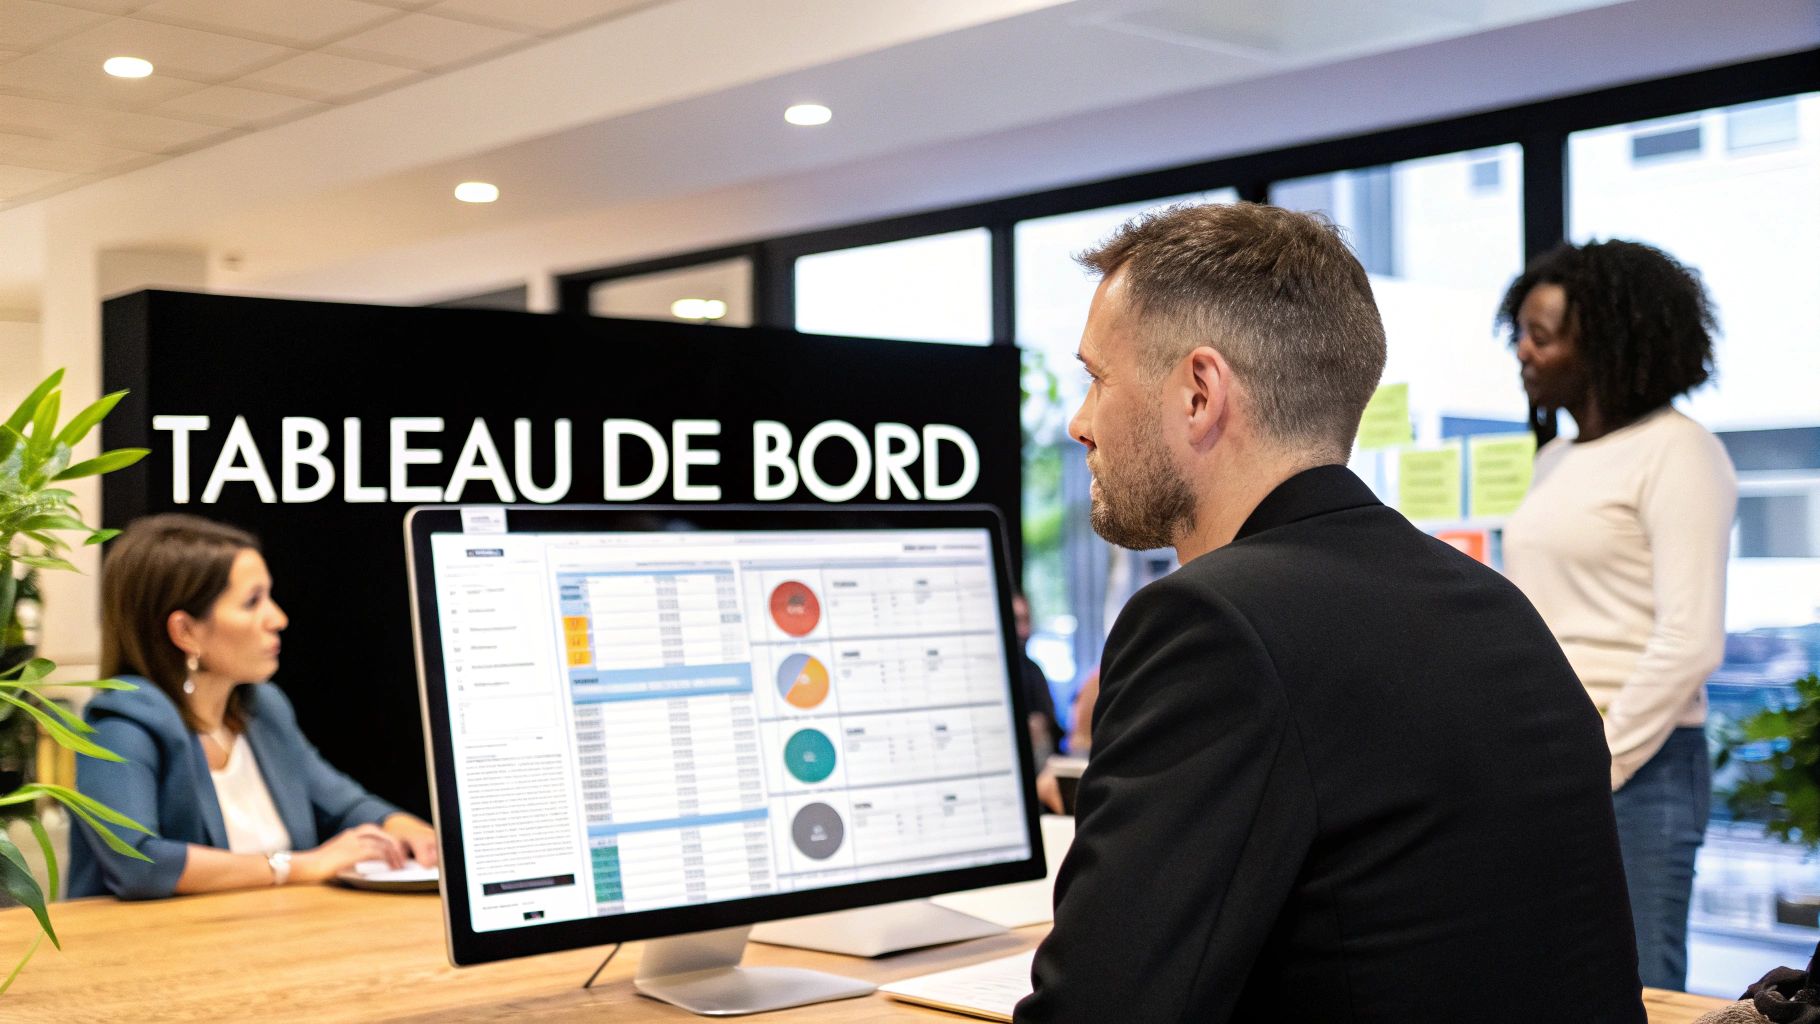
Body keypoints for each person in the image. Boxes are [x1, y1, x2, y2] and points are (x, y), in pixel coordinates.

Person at [1016, 202, 1644, 1023]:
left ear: (1200, 392)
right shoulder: (1490, 606)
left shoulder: (1212, 625)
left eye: (1099, 379)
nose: (1081, 422)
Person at [1499, 239, 1737, 993]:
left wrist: (1595, 757)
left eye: (1542, 335)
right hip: (1551, 756)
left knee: (1634, 986)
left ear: (1605, 340)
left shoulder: (1680, 451)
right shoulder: (1555, 459)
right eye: (1519, 335)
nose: (1524, 353)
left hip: (1640, 764)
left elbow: (1690, 640)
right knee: (1542, 978)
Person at [69, 514, 439, 899]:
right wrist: (299, 866)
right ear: (186, 632)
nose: (278, 618)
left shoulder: (261, 707)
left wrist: (406, 828)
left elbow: (342, 805)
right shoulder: (121, 723)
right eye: (252, 602)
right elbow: (139, 863)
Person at [1011, 593, 1062, 764]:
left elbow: (1048, 724)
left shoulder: (1032, 670)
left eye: (1027, 620)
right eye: (1017, 620)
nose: (1024, 631)